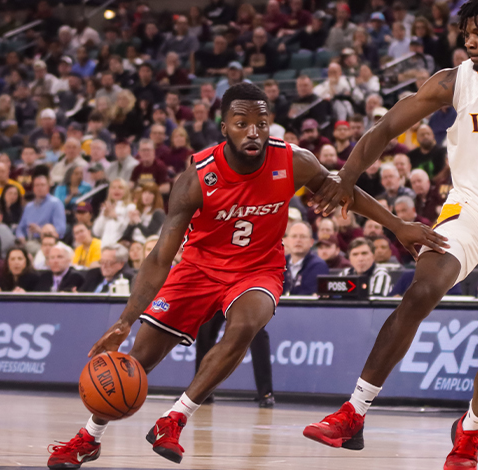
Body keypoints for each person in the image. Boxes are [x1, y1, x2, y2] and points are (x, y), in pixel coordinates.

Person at [47, 83, 441, 468]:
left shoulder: (293, 160)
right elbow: (158, 258)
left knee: (246, 325)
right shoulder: (196, 178)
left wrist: (398, 225)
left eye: (261, 123)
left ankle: (174, 419)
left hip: (258, 268)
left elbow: (343, 191)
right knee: (136, 362)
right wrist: (125, 320)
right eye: (241, 123)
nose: (253, 132)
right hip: (198, 267)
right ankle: (88, 439)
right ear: (224, 128)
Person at [304, 3, 478, 468]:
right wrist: (344, 180)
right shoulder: (452, 80)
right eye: (465, 33)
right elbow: (384, 128)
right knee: (423, 289)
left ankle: (470, 433)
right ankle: (354, 411)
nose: (469, 41)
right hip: (469, 210)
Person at [284, 221, 329, 295]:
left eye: (303, 237)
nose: (298, 240)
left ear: (311, 242)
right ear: (287, 241)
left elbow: (308, 294)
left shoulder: (318, 266)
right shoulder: (277, 264)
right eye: (294, 236)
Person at [16, 175, 66, 241]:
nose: (39, 188)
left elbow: (61, 230)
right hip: (28, 240)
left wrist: (41, 230)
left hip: (47, 241)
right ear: (33, 188)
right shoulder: (29, 206)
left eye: (42, 185)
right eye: (37, 185)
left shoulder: (55, 203)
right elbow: (20, 228)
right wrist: (21, 237)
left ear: (48, 187)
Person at [92, 178, 135, 247]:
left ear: (126, 191)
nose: (116, 190)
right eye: (113, 188)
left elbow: (128, 231)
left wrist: (116, 217)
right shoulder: (106, 207)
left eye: (120, 188)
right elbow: (96, 232)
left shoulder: (130, 207)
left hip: (120, 247)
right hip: (104, 246)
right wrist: (104, 216)